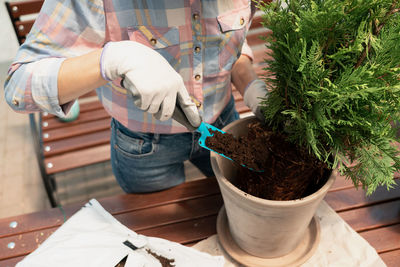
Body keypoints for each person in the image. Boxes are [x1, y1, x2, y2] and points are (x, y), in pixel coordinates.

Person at [4, 0, 267, 193]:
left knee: (237, 200)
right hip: (144, 145)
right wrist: (113, 59)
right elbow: (19, 86)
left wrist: (250, 84)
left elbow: (228, 38)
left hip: (223, 124)